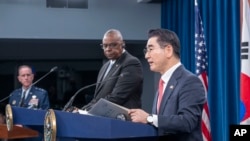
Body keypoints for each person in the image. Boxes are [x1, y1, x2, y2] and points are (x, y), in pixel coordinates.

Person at [128, 28, 206, 141]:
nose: (146, 56)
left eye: (151, 49)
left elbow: (187, 121)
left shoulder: (190, 81)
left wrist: (149, 118)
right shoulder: (163, 83)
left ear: (168, 50)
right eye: (146, 51)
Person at [80, 29, 143, 111]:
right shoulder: (105, 66)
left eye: (113, 45)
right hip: (104, 118)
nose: (108, 49)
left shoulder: (131, 63)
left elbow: (117, 96)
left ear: (122, 44)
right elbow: (97, 98)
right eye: (105, 46)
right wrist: (82, 110)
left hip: (123, 120)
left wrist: (89, 110)